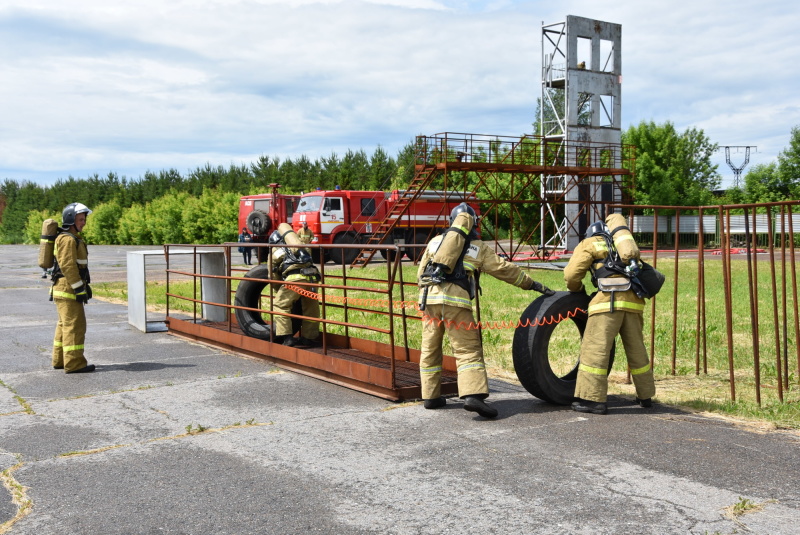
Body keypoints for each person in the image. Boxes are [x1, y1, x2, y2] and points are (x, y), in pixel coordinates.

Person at [417, 203, 555, 418]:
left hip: (430, 301)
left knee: (430, 348)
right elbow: (502, 269)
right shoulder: (478, 246)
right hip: (456, 304)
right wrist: (532, 284)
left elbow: (420, 273)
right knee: (467, 350)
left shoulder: (435, 242)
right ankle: (473, 396)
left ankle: (430, 396)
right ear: (473, 224)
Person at [564, 213, 656, 415]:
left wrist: (577, 290)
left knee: (595, 350)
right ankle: (646, 396)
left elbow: (571, 275)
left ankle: (592, 400)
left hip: (607, 303)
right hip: (634, 303)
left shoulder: (590, 244)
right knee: (636, 349)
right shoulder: (621, 246)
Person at [50, 202, 95, 374]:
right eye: (81, 219)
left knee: (64, 325)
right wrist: (78, 288)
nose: (84, 222)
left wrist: (84, 286)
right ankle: (74, 363)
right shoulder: (68, 239)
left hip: (63, 289)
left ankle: (59, 360)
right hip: (68, 290)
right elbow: (68, 266)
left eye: (84, 219)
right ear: (71, 219)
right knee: (75, 326)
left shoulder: (69, 238)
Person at [268, 223, 321, 347]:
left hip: (295, 279)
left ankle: (287, 338)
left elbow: (273, 276)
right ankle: (309, 338)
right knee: (311, 308)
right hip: (313, 278)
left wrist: (278, 290)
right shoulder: (300, 246)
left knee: (280, 305)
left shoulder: (275, 251)